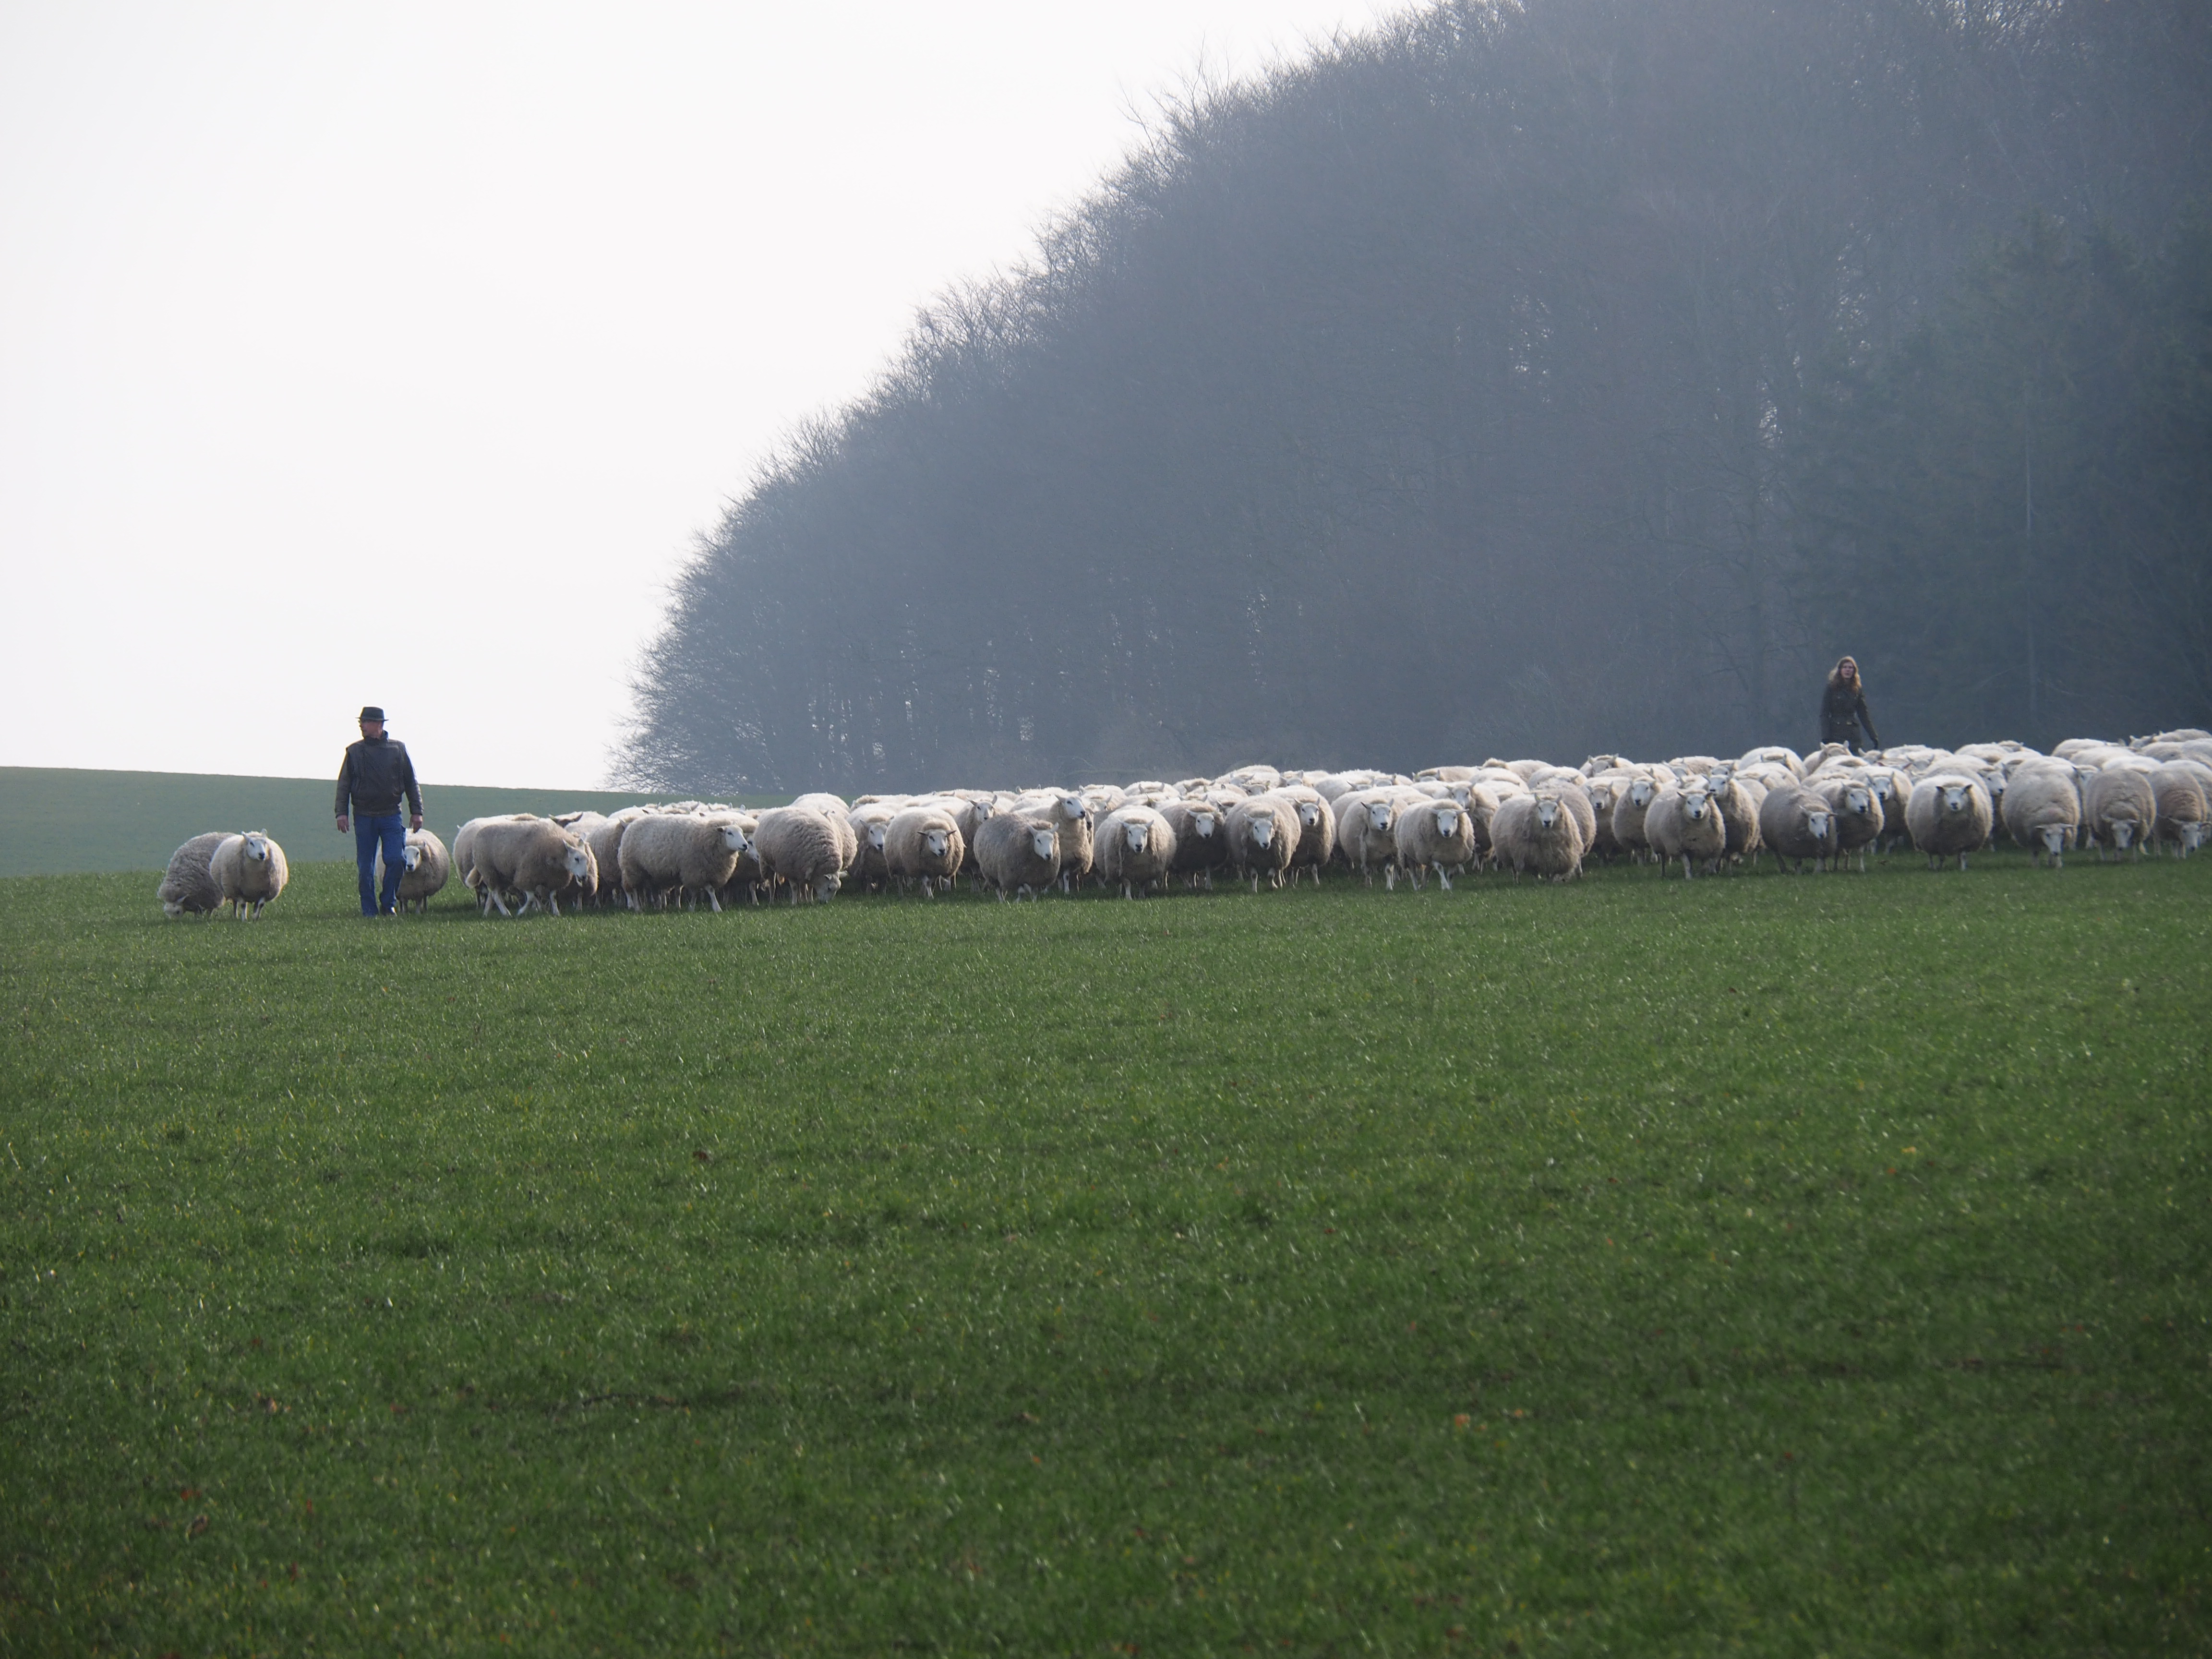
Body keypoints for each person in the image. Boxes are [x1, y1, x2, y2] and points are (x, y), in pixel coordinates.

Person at [335, 706, 423, 917]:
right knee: (366, 867)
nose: (362, 726)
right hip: (364, 816)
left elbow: (411, 782)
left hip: (391, 815)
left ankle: (388, 903)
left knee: (397, 860)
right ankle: (369, 910)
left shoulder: (398, 750)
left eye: (365, 722)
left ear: (379, 725)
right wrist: (341, 813)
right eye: (361, 722)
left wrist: (417, 811)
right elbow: (344, 784)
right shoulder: (354, 752)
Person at [1819, 656, 1881, 755]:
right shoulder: (1831, 688)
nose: (1848, 670)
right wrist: (1825, 737)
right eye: (1845, 667)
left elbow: (1864, 715)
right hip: (1835, 734)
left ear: (1854, 671)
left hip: (1853, 735)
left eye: (1850, 668)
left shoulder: (1857, 690)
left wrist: (1873, 736)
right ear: (1840, 670)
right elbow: (1824, 714)